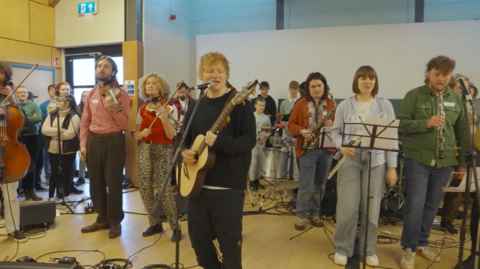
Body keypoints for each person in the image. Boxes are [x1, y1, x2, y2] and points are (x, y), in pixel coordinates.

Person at [181, 51, 256, 269]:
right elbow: (181, 139)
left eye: (220, 71)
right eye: (209, 70)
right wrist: (184, 151)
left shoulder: (239, 104)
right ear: (201, 75)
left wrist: (221, 142)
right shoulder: (194, 108)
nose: (215, 75)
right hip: (197, 187)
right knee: (199, 242)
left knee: (230, 245)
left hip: (228, 187)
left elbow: (249, 140)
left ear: (226, 74)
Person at [397, 55, 468, 269]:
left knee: (431, 206)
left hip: (445, 161)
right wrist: (425, 123)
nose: (441, 79)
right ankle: (408, 248)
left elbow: (463, 132)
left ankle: (422, 242)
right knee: (414, 206)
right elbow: (401, 124)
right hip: (417, 158)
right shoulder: (414, 95)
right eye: (437, 74)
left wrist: (462, 162)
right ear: (428, 73)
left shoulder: (456, 99)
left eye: (445, 75)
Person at [331, 66, 398, 266]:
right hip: (350, 160)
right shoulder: (344, 105)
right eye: (363, 78)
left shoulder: (385, 105)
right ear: (356, 81)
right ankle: (343, 248)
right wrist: (341, 145)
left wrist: (392, 167)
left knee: (371, 209)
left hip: (376, 161)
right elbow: (335, 132)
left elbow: (391, 137)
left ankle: (368, 250)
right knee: (346, 208)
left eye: (371, 78)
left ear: (375, 82)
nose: (367, 82)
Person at [79, 56, 130, 239]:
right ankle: (102, 218)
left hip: (114, 140)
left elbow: (124, 124)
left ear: (113, 72)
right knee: (95, 182)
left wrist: (114, 107)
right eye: (99, 66)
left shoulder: (121, 94)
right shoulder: (91, 94)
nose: (101, 69)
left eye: (106, 66)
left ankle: (115, 221)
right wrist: (83, 144)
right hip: (94, 140)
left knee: (114, 182)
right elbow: (85, 122)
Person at [134, 72, 181, 241]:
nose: (150, 86)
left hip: (163, 150)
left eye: (154, 83)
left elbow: (170, 135)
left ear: (161, 87)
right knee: (145, 188)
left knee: (164, 189)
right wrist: (142, 133)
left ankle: (175, 226)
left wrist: (163, 119)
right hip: (145, 150)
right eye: (147, 84)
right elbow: (136, 134)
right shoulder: (142, 109)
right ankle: (155, 223)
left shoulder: (170, 108)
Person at [288, 72, 336, 230]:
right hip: (307, 149)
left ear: (324, 86)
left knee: (320, 185)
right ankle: (301, 215)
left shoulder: (331, 104)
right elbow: (291, 125)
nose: (316, 89)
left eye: (319, 86)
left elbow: (341, 127)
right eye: (313, 86)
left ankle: (315, 212)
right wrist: (302, 131)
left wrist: (332, 123)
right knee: (306, 184)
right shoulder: (301, 104)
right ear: (308, 88)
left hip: (326, 149)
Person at [0, 61, 28, 242]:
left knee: (11, 192)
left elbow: (22, 121)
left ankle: (13, 228)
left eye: (0, 73)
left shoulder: (9, 93)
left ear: (6, 76)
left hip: (9, 147)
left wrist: (13, 102)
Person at [42, 95, 81, 201]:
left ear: (67, 103)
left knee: (66, 172)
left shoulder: (74, 116)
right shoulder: (53, 114)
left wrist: (52, 134)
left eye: (59, 101)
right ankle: (50, 196)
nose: (57, 103)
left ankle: (66, 195)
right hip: (53, 148)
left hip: (68, 150)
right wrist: (61, 131)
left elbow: (70, 135)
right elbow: (44, 130)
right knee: (54, 172)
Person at [16, 86, 43, 201]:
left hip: (32, 137)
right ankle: (18, 190)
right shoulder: (13, 106)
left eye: (25, 92)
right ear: (15, 94)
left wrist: (21, 118)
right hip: (17, 138)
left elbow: (39, 118)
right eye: (20, 92)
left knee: (32, 164)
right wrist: (30, 117)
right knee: (18, 165)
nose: (23, 94)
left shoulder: (33, 105)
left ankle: (31, 191)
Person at [249, 97, 271, 190]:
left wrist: (265, 139)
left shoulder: (266, 118)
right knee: (253, 162)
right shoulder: (251, 116)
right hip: (253, 142)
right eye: (260, 105)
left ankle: (257, 180)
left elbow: (268, 131)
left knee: (259, 162)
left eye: (263, 105)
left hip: (261, 142)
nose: (261, 107)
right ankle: (252, 180)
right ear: (255, 106)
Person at [76, 90, 89, 186]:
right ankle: (81, 176)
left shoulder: (94, 107)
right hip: (80, 134)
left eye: (86, 95)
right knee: (82, 156)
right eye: (83, 95)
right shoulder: (77, 108)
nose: (84, 97)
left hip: (92, 134)